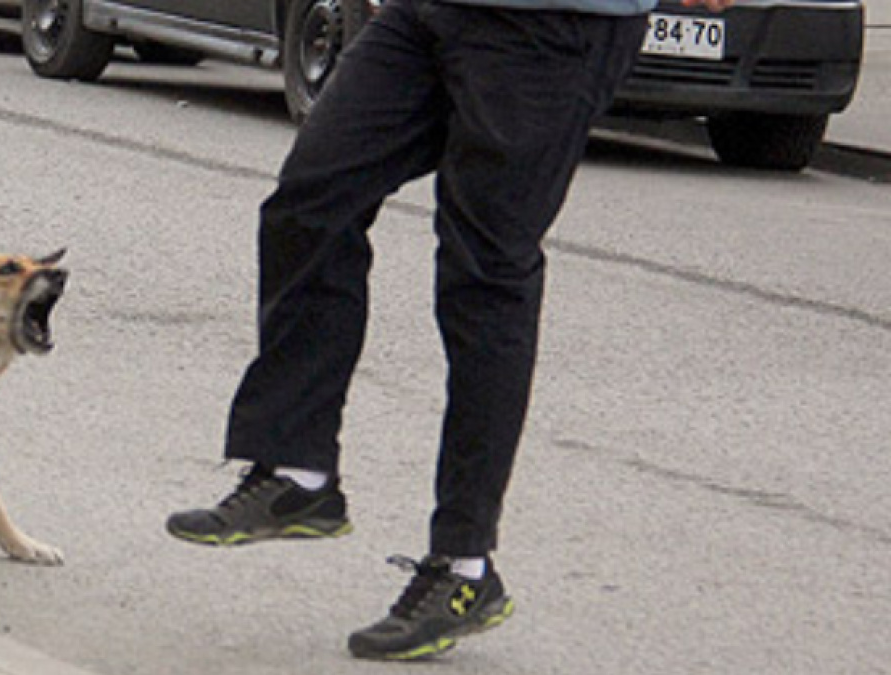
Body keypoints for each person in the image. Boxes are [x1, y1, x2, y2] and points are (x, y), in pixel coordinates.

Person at [167, 0, 734, 661]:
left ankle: (463, 568)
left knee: (484, 274)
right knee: (311, 199)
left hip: (558, 28)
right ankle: (298, 472)